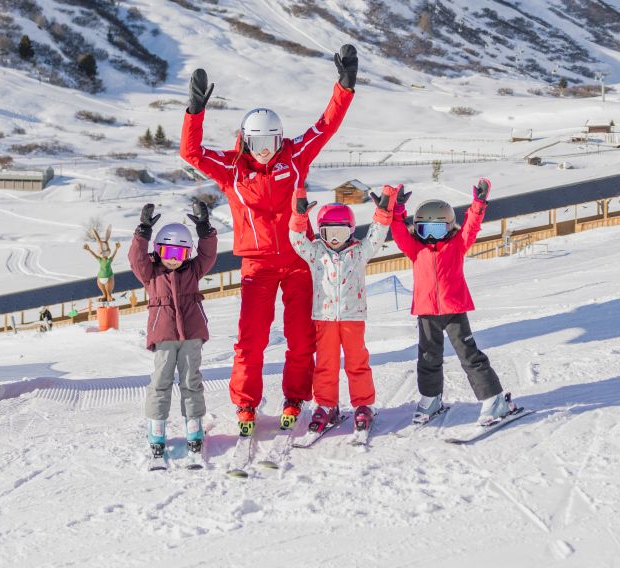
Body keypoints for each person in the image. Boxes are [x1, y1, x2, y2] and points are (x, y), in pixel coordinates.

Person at [179, 45, 358, 435]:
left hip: (298, 259)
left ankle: (295, 397)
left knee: (300, 337)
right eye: (258, 145)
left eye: (271, 143)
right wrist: (195, 111)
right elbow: (190, 152)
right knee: (251, 339)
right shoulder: (231, 168)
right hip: (256, 265)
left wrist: (344, 85)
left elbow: (325, 125)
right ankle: (246, 404)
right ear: (244, 140)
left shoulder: (294, 158)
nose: (265, 153)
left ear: (279, 139)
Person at [390, 179, 518, 426]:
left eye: (436, 230)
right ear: (416, 229)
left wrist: (478, 204)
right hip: (426, 312)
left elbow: (471, 226)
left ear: (449, 227)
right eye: (424, 229)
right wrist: (397, 213)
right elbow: (397, 232)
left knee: (470, 356)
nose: (429, 236)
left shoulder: (457, 244)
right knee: (427, 357)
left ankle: (494, 400)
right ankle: (431, 399)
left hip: (455, 309)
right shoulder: (414, 248)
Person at [288, 186, 399, 434]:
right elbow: (296, 240)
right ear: (321, 232)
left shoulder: (360, 252)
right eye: (329, 232)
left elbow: (376, 237)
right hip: (324, 318)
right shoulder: (316, 252)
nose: (334, 238)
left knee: (357, 362)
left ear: (350, 231)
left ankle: (363, 404)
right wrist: (299, 216)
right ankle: (327, 405)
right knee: (325, 364)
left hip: (352, 317)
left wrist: (383, 212)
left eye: (340, 232)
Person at [128, 199, 218, 461]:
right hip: (164, 336)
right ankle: (157, 429)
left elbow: (209, 254)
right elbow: (135, 258)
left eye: (179, 255)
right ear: (157, 251)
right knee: (160, 382)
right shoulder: (150, 273)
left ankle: (194, 426)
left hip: (191, 336)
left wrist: (204, 230)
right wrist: (142, 232)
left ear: (187, 254)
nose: (173, 260)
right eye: (167, 253)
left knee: (192, 381)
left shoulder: (194, 270)